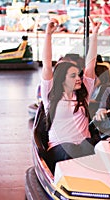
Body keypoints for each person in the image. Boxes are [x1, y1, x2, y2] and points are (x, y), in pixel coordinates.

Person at [41, 17, 101, 174]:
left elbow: (90, 64)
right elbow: (47, 64)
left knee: (91, 146)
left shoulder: (83, 95)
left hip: (83, 146)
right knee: (71, 150)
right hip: (60, 148)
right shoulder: (50, 96)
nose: (79, 78)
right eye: (73, 76)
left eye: (79, 75)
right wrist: (48, 34)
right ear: (62, 79)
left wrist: (94, 34)